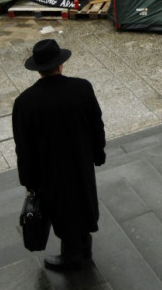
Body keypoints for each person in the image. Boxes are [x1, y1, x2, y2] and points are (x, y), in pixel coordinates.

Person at [12, 39, 106, 271]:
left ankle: (72, 256)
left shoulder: (25, 103)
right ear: (61, 64)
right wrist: (98, 153)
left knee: (62, 210)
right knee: (82, 201)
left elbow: (23, 146)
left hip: (49, 171)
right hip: (80, 162)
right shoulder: (82, 88)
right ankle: (83, 246)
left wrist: (28, 180)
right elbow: (96, 124)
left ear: (38, 69)